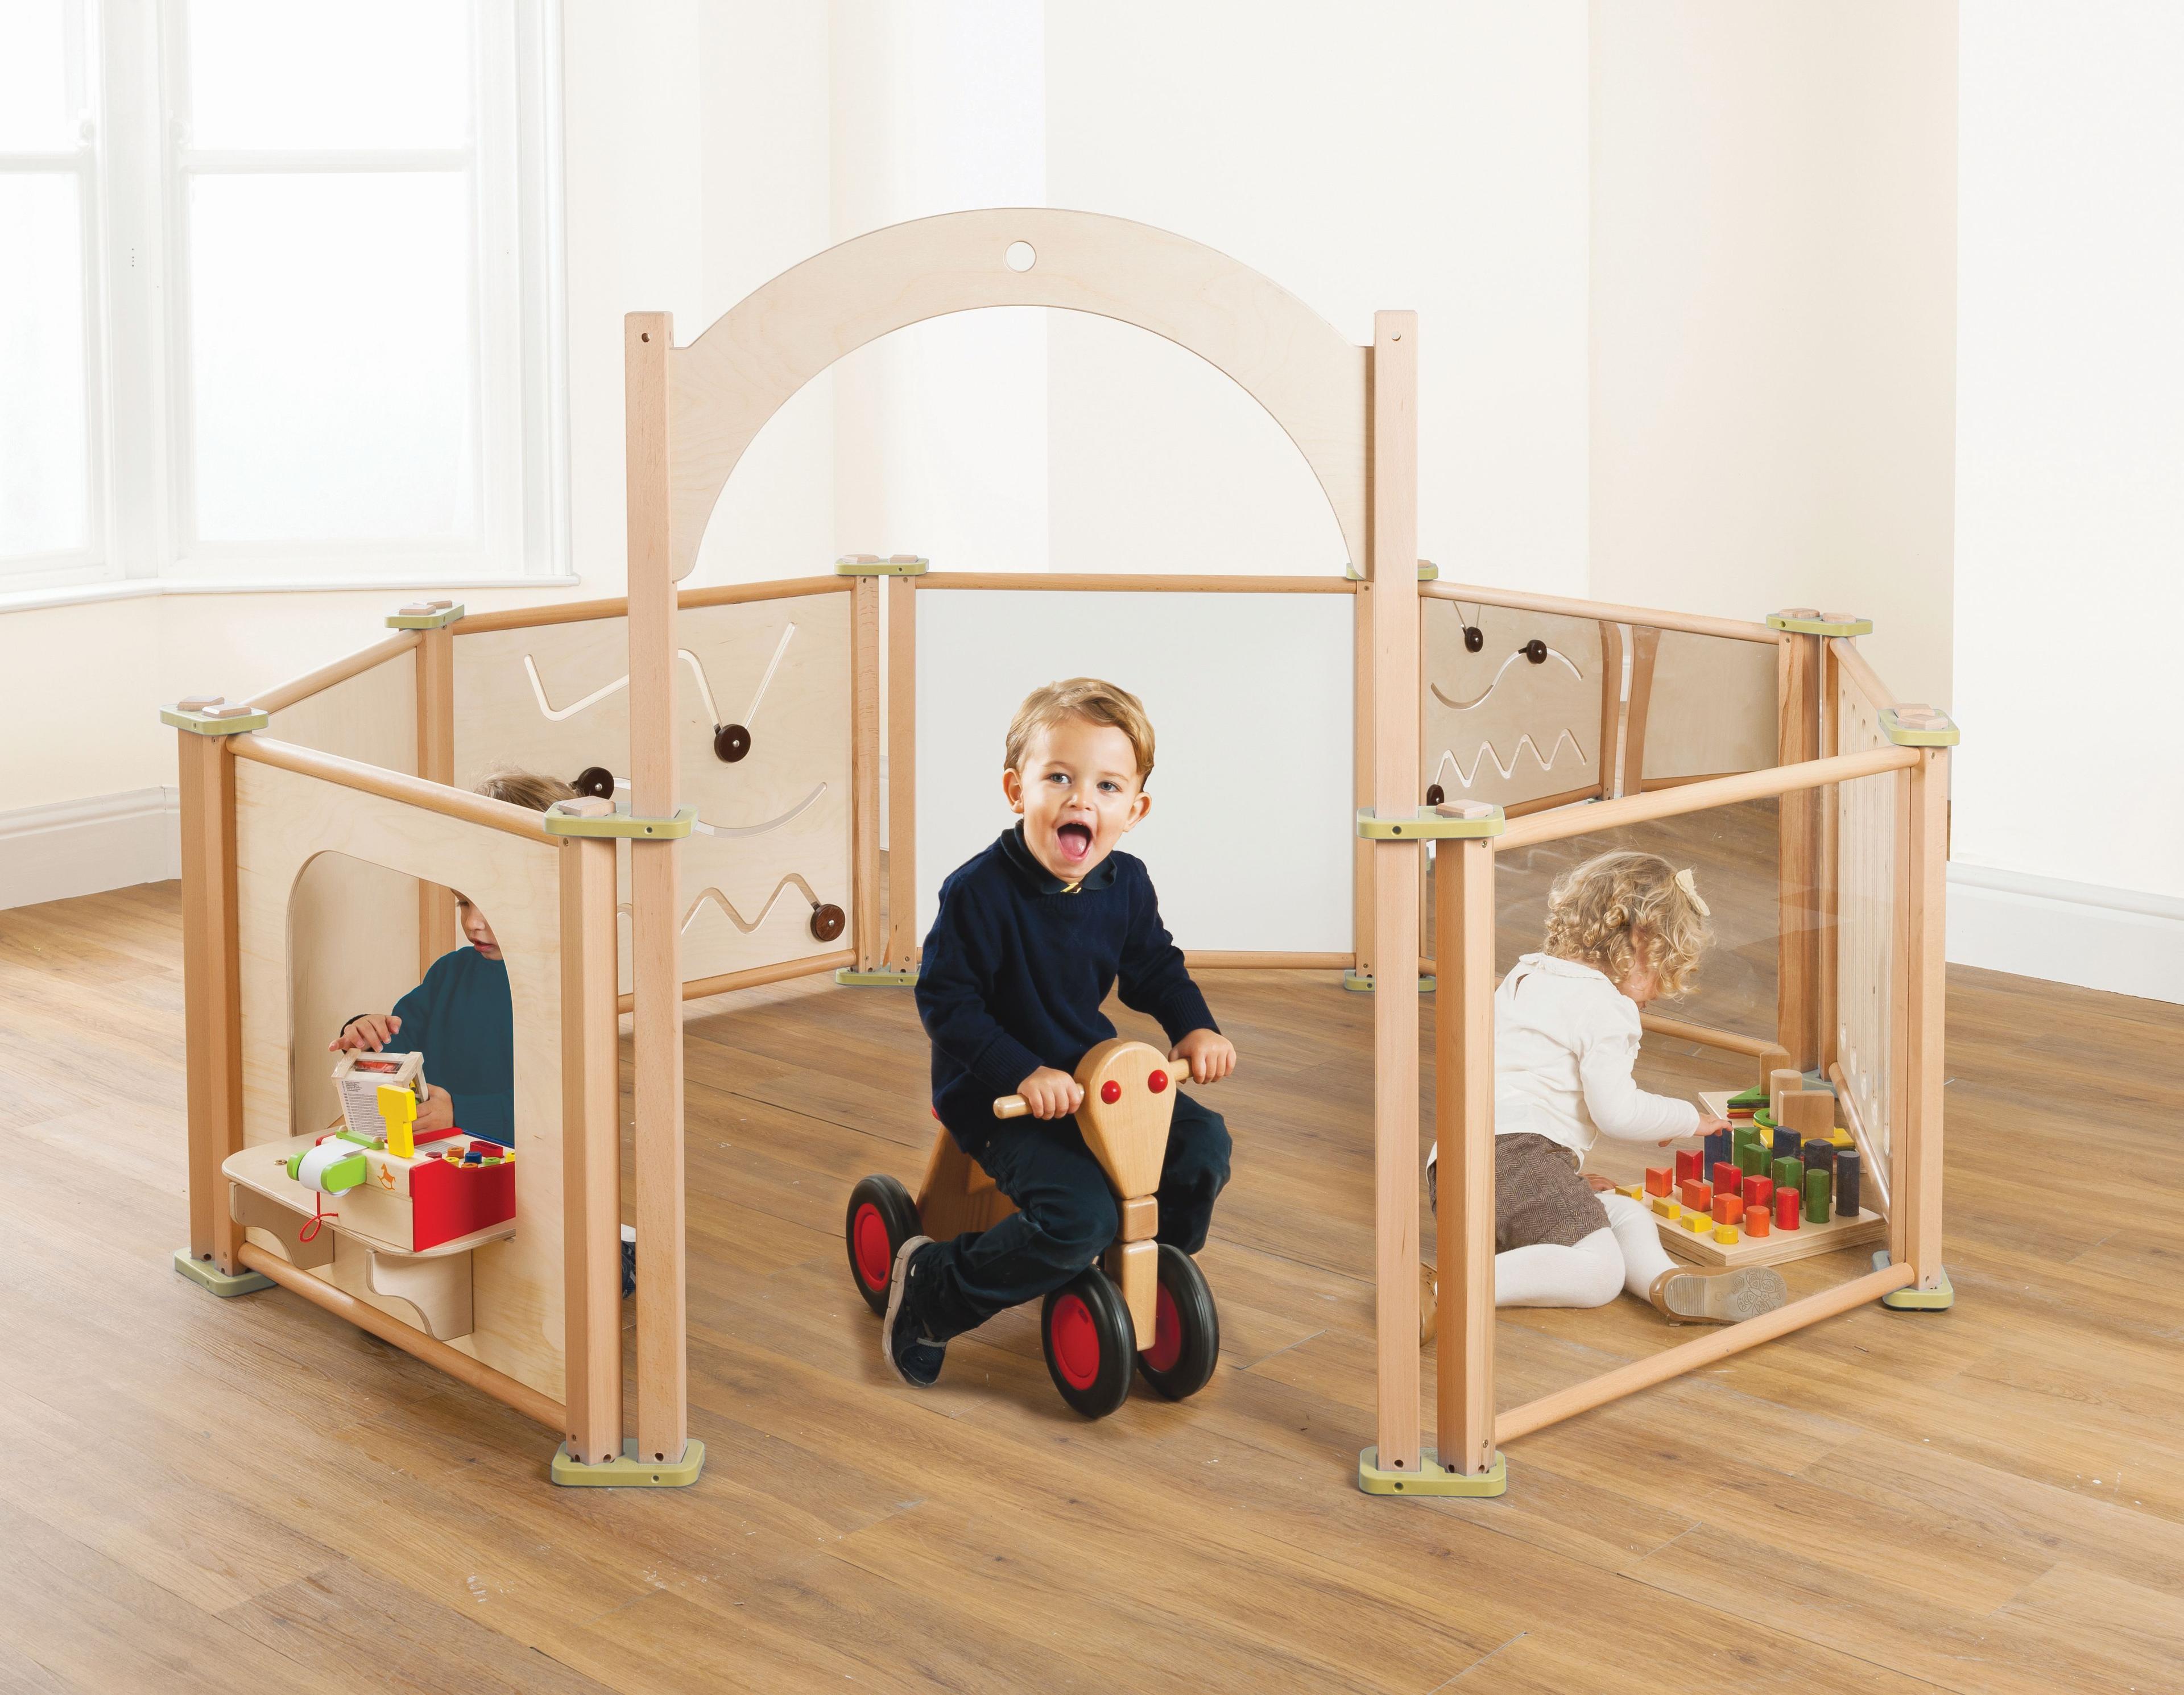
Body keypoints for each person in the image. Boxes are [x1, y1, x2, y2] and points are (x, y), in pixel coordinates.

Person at [882, 679, 1238, 1388]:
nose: (1082, 800)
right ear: (1018, 791)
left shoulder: (1125, 883)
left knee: (1203, 1146)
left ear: (1133, 810)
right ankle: (935, 1288)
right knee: (1078, 1216)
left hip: (1091, 1077)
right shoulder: (978, 892)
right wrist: (1021, 1073)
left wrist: (1195, 1026)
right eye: (1060, 778)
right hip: (996, 1090)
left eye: (1107, 786)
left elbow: (1155, 969)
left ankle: (1148, 1265)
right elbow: (947, 1003)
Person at [1421, 850, 1788, 1331]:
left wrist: (1559, 1179)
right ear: (1642, 941)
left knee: (1625, 1214)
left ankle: (1668, 1285)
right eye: (1665, 969)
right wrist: (1689, 1120)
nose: (1655, 994)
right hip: (1510, 1159)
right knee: (1600, 1273)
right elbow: (1617, 1112)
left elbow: (1524, 1090)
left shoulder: (1526, 974)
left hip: (1454, 1169)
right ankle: (1441, 1294)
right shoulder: (1605, 1006)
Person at [329, 770, 637, 1295]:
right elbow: (400, 1042)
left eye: (492, 905)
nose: (474, 923)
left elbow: (563, 1111)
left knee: (556, 1272)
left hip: (531, 1177)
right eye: (463, 902)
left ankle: (615, 1251)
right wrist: (365, 1033)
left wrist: (461, 1112)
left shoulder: (565, 986)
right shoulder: (452, 971)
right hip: (447, 1165)